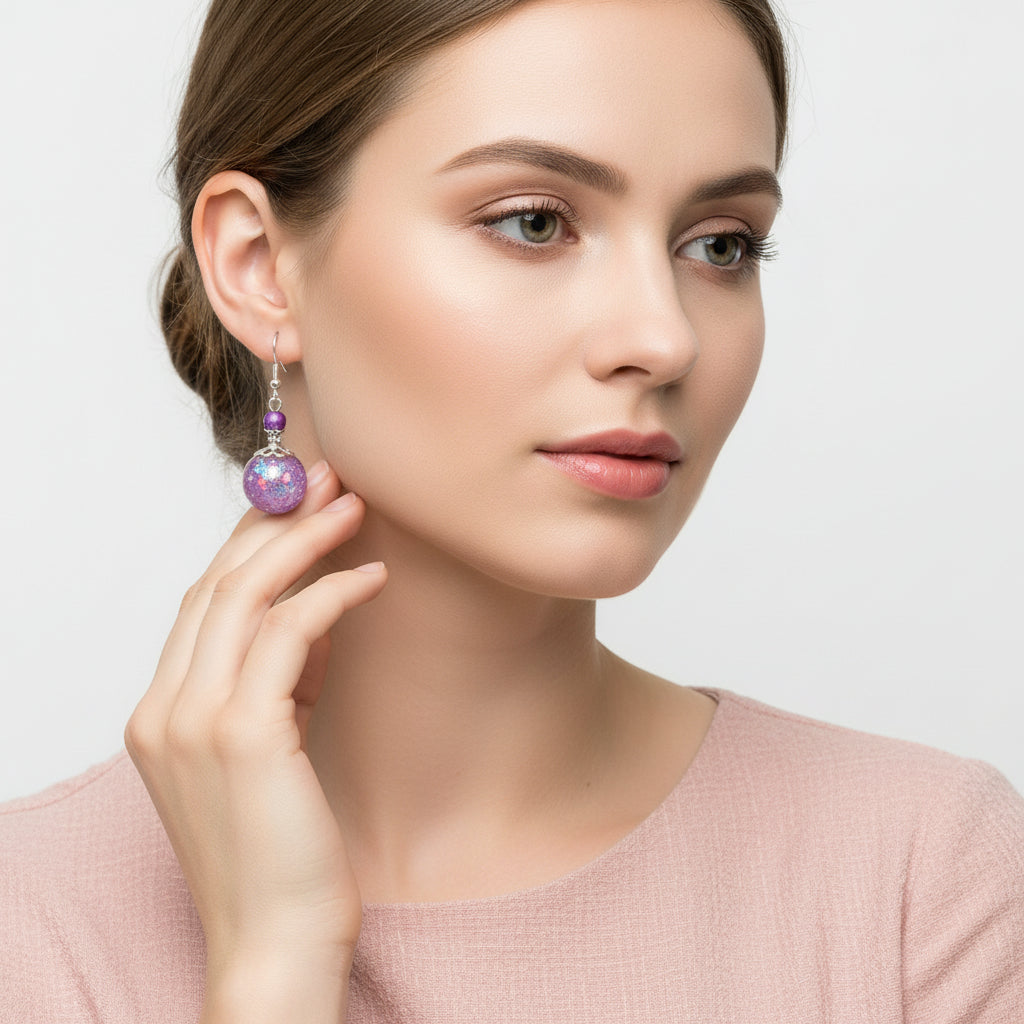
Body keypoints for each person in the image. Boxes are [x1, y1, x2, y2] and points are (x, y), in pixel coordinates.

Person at [2, 0, 1022, 1022]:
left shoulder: (920, 881)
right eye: (533, 222)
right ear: (258, 265)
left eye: (720, 245)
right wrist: (273, 968)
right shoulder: (32, 933)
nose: (663, 338)